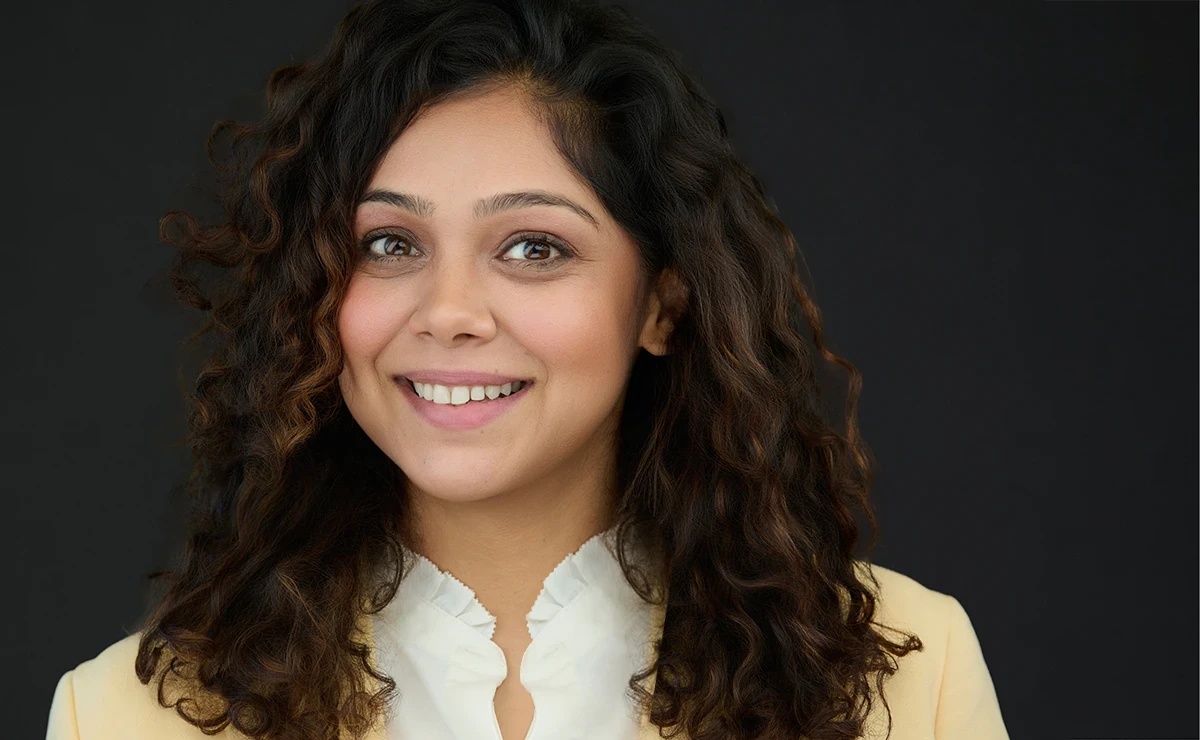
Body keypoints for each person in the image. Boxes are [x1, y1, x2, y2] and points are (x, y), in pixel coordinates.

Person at [45, 0, 1009, 738]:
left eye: (535, 247)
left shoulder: (904, 682)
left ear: (662, 307)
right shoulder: (124, 717)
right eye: (388, 244)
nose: (451, 312)